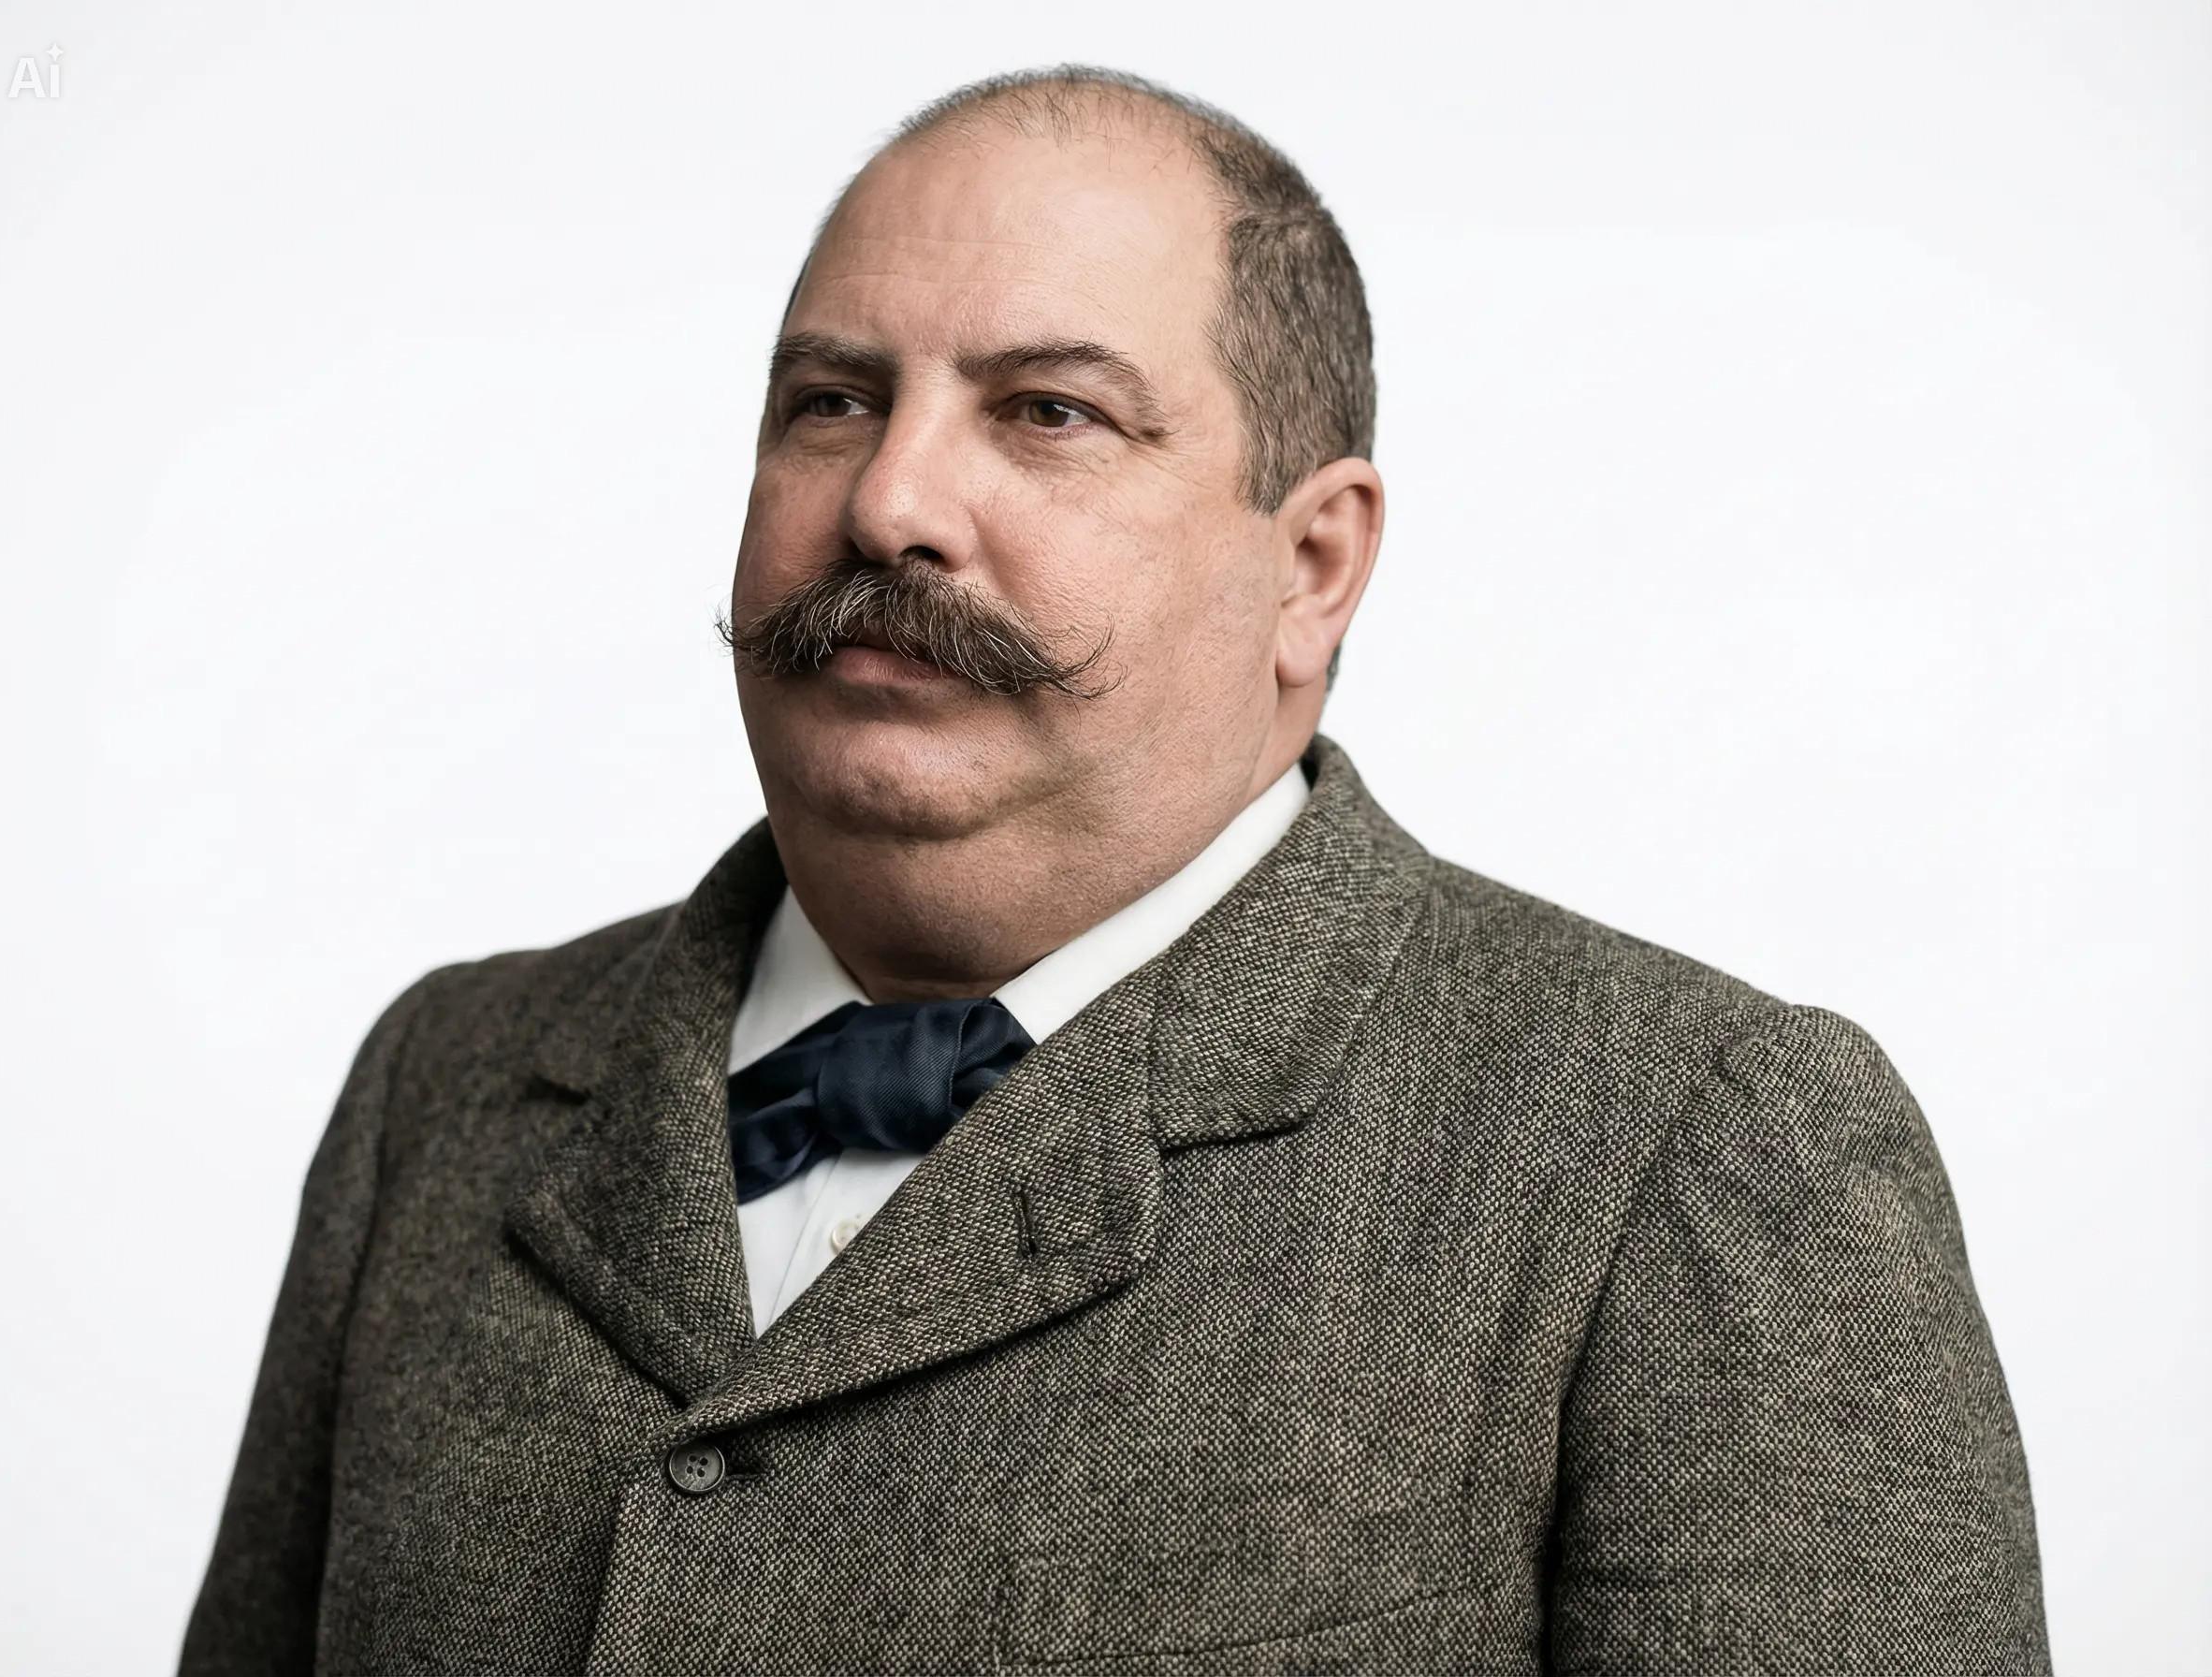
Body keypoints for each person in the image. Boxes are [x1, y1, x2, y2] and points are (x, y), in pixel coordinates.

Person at [180, 64, 2051, 1675]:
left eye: (1048, 411)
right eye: (831, 400)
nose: (892, 501)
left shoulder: (1693, 1142)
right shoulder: (443, 1085)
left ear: (1313, 565)